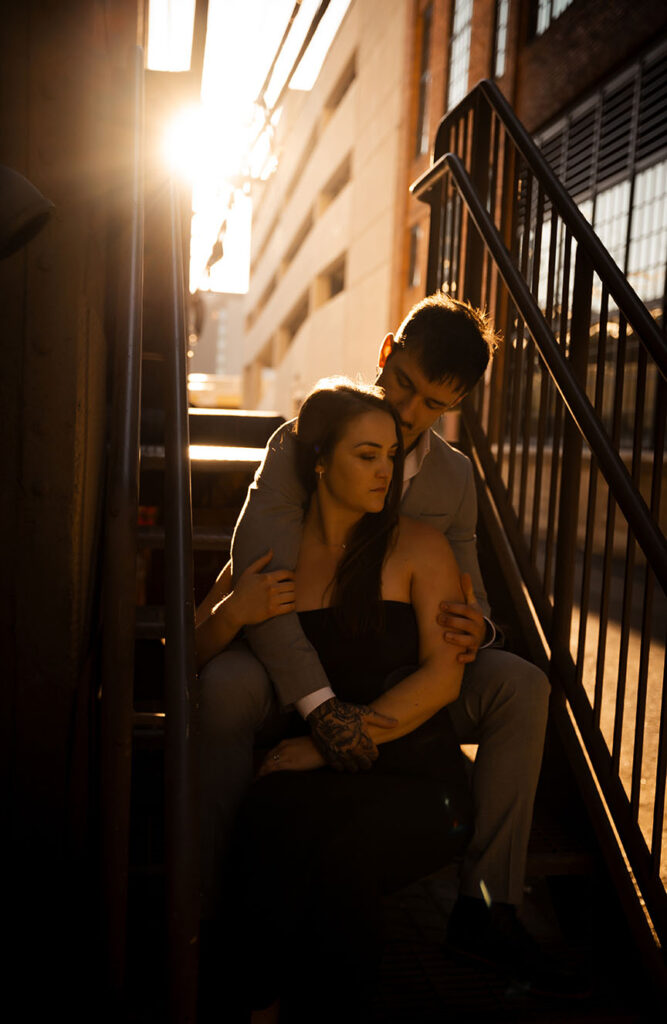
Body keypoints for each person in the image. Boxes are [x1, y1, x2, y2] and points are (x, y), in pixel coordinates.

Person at [198, 293, 551, 988]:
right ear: (386, 353)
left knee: (521, 684)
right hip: (303, 654)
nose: (409, 413)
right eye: (403, 387)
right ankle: (211, 899)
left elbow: (470, 588)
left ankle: (486, 909)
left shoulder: (451, 478)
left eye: (432, 405)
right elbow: (260, 588)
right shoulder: (302, 444)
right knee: (222, 684)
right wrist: (322, 708)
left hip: (397, 672)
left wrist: (481, 624)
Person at [223, 381, 473, 1022]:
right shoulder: (273, 554)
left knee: (340, 857)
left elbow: (443, 680)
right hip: (322, 782)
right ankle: (258, 1006)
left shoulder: (419, 546)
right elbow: (190, 653)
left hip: (422, 782)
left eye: (391, 456)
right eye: (367, 455)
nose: (386, 471)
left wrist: (318, 742)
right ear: (317, 459)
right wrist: (231, 613)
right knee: (265, 819)